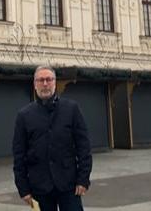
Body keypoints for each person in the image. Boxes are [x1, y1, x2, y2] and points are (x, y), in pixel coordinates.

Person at [13, 66, 92, 211]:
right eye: (41, 80)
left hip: (69, 185)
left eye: (48, 79)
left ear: (55, 83)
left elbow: (83, 146)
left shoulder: (71, 109)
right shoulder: (24, 115)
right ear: (35, 84)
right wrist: (23, 188)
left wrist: (83, 179)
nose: (45, 84)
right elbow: (19, 155)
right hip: (39, 187)